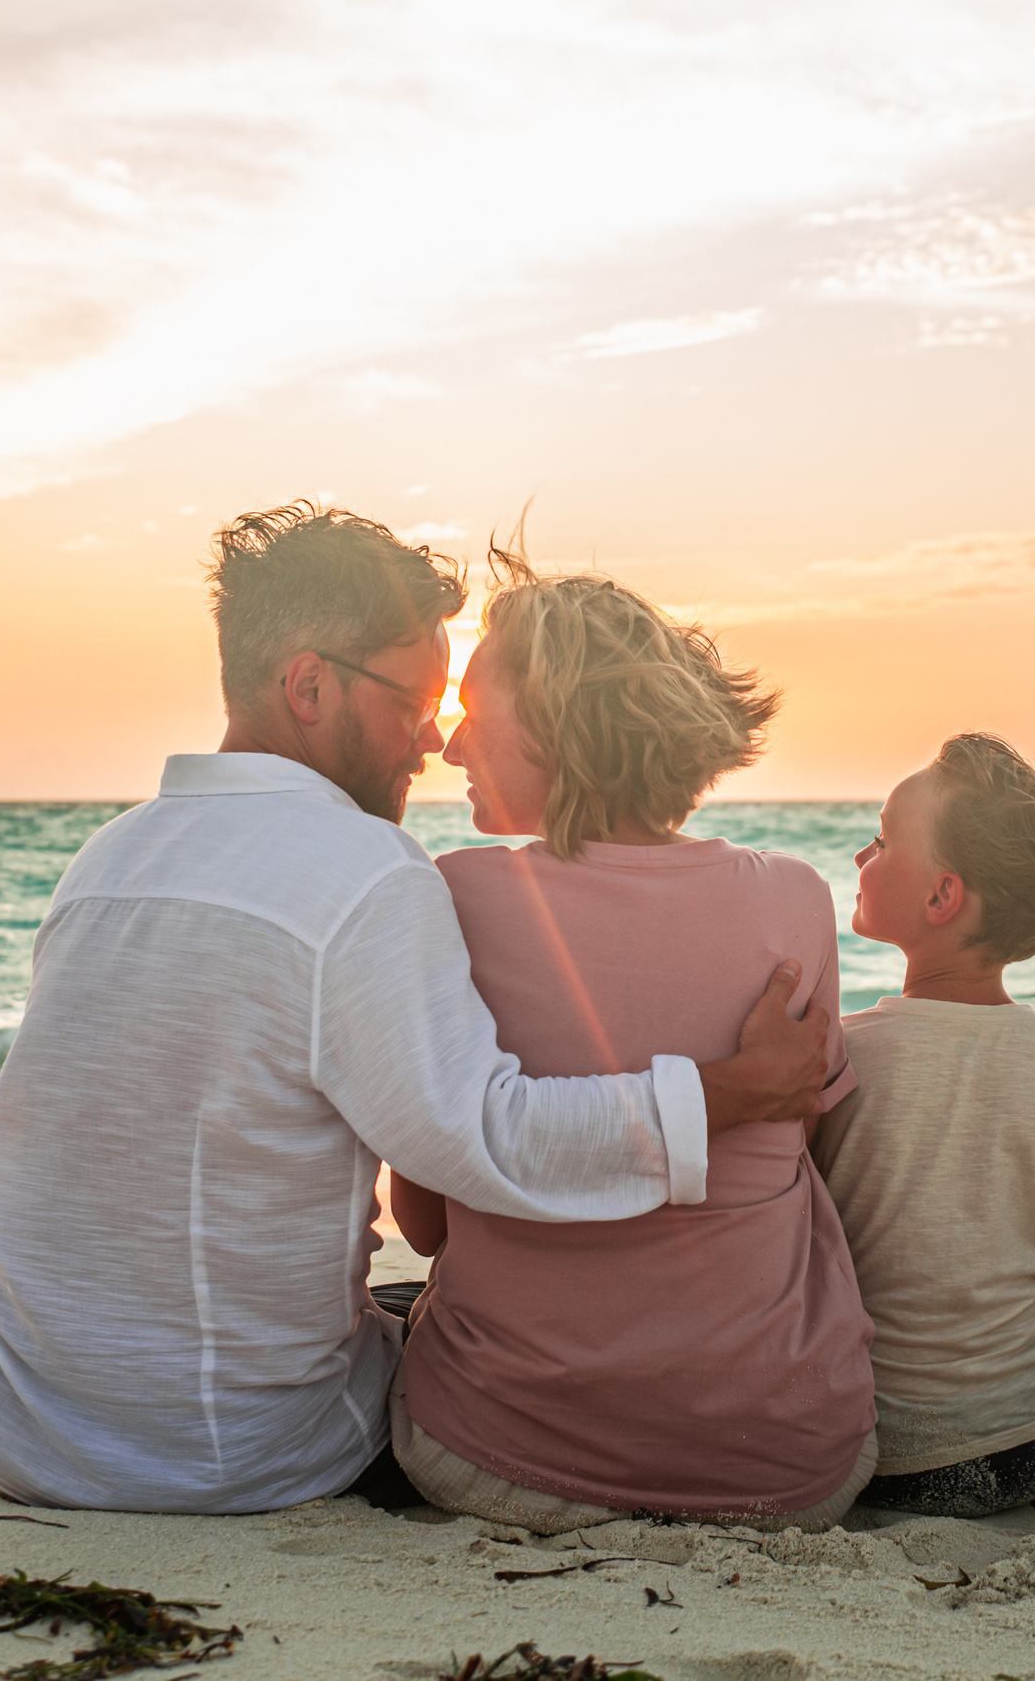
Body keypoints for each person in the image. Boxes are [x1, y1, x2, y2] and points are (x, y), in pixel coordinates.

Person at [0, 504, 832, 1514]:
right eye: (413, 699)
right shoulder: (364, 872)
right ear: (308, 686)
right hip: (230, 1450)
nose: (431, 736)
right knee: (420, 1330)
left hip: (12, 1417)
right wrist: (727, 1090)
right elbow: (487, 1141)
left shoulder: (107, 858)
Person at [385, 545, 877, 1533]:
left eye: (475, 714)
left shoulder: (454, 896)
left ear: (563, 730)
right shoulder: (794, 897)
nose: (446, 745)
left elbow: (429, 1220)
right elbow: (798, 1149)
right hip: (788, 1471)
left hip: (500, 1462)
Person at [811, 733, 1035, 1517]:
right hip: (1027, 1443)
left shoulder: (840, 1056)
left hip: (866, 1447)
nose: (861, 853)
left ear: (941, 898)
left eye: (883, 840)